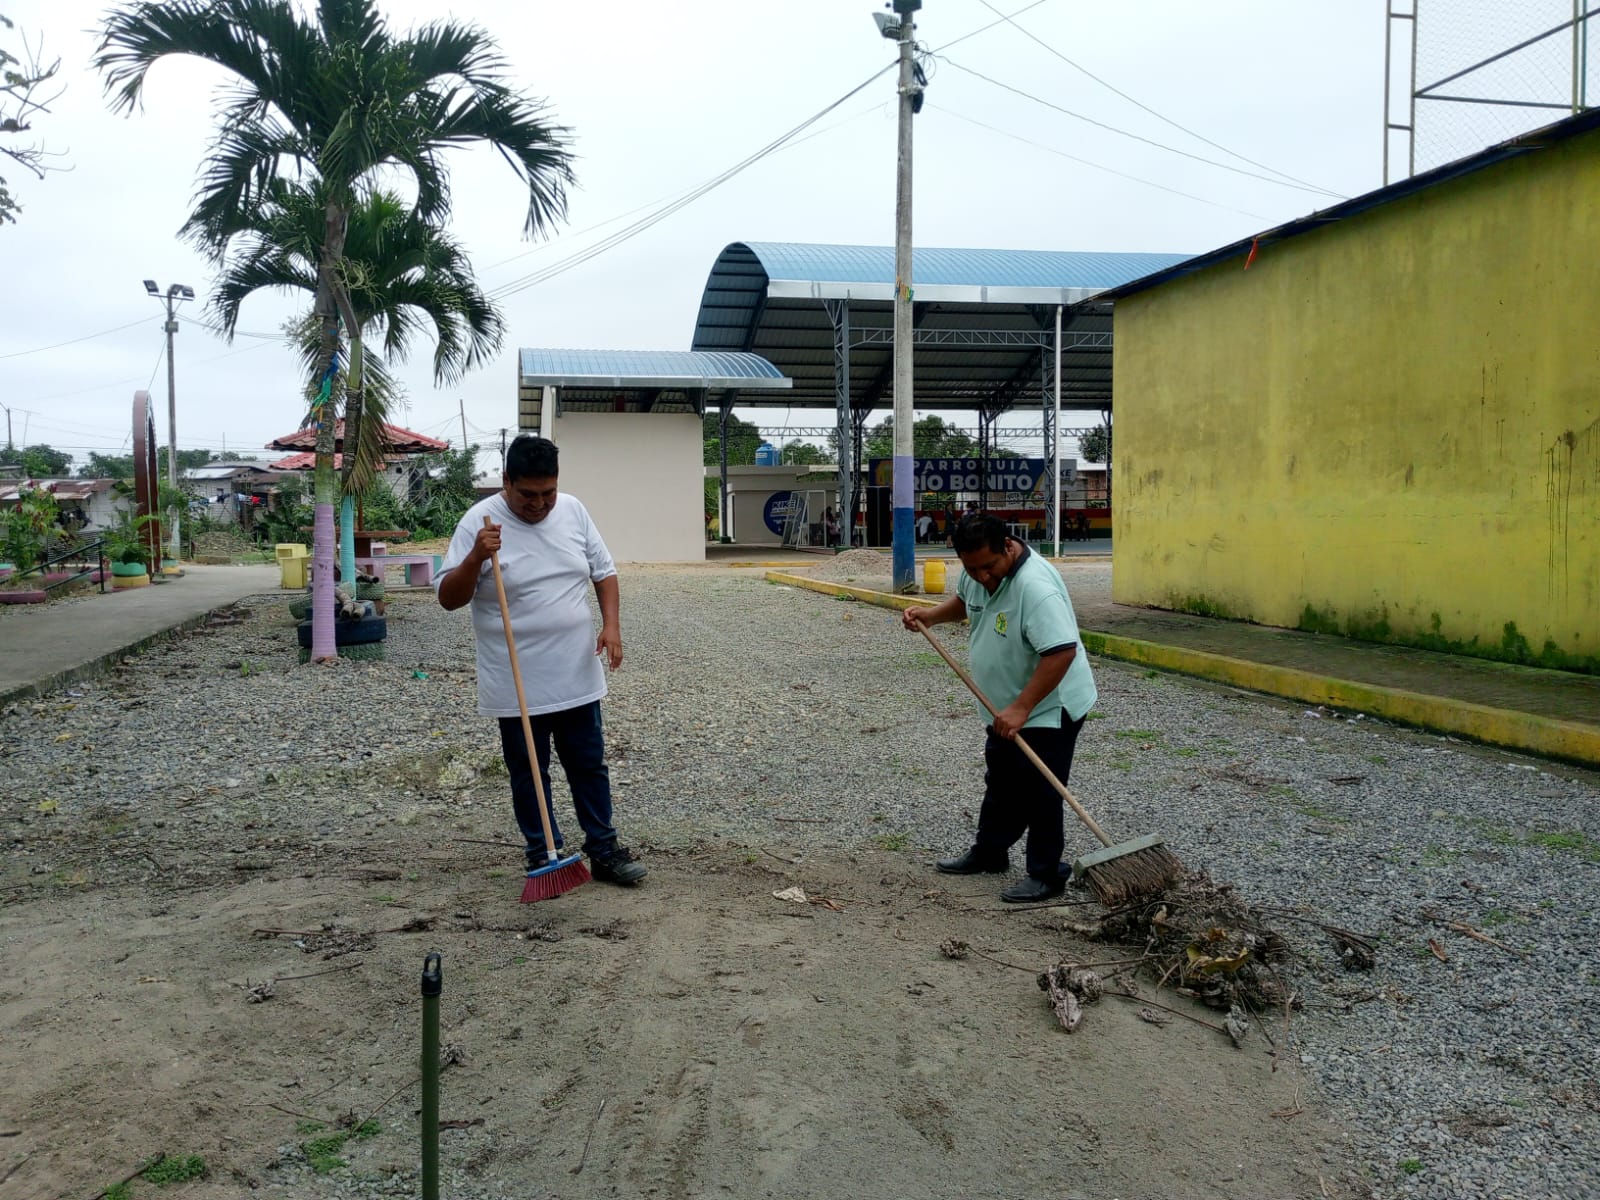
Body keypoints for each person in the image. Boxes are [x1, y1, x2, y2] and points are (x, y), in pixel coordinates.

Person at [436, 435, 646, 887]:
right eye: (527, 495)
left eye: (548, 492)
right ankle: (542, 852)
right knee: (530, 771)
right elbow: (448, 598)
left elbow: (604, 572)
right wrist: (476, 557)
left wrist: (611, 626)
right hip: (516, 677)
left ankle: (604, 849)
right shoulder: (479, 522)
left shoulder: (573, 510)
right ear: (506, 482)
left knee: (589, 765)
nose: (539, 504)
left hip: (575, 670)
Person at [901, 513, 1097, 903]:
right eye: (972, 569)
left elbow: (1061, 653)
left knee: (1041, 790)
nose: (982, 577)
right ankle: (991, 852)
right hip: (1005, 707)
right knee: (1003, 780)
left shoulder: (1035, 589)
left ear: (1008, 546)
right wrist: (931, 616)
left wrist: (1022, 707)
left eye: (988, 567)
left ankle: (1046, 873)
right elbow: (967, 602)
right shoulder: (977, 573)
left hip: (1050, 706)